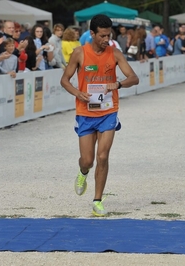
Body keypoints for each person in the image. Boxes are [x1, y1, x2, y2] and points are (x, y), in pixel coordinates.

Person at [60, 14, 139, 217]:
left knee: (103, 156)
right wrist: (78, 93)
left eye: (108, 35)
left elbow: (134, 78)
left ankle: (97, 201)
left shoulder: (115, 53)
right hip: (85, 112)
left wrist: (118, 84)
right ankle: (83, 173)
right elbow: (65, 80)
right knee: (88, 160)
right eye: (102, 36)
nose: (106, 39)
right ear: (92, 34)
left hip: (108, 111)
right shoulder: (79, 53)